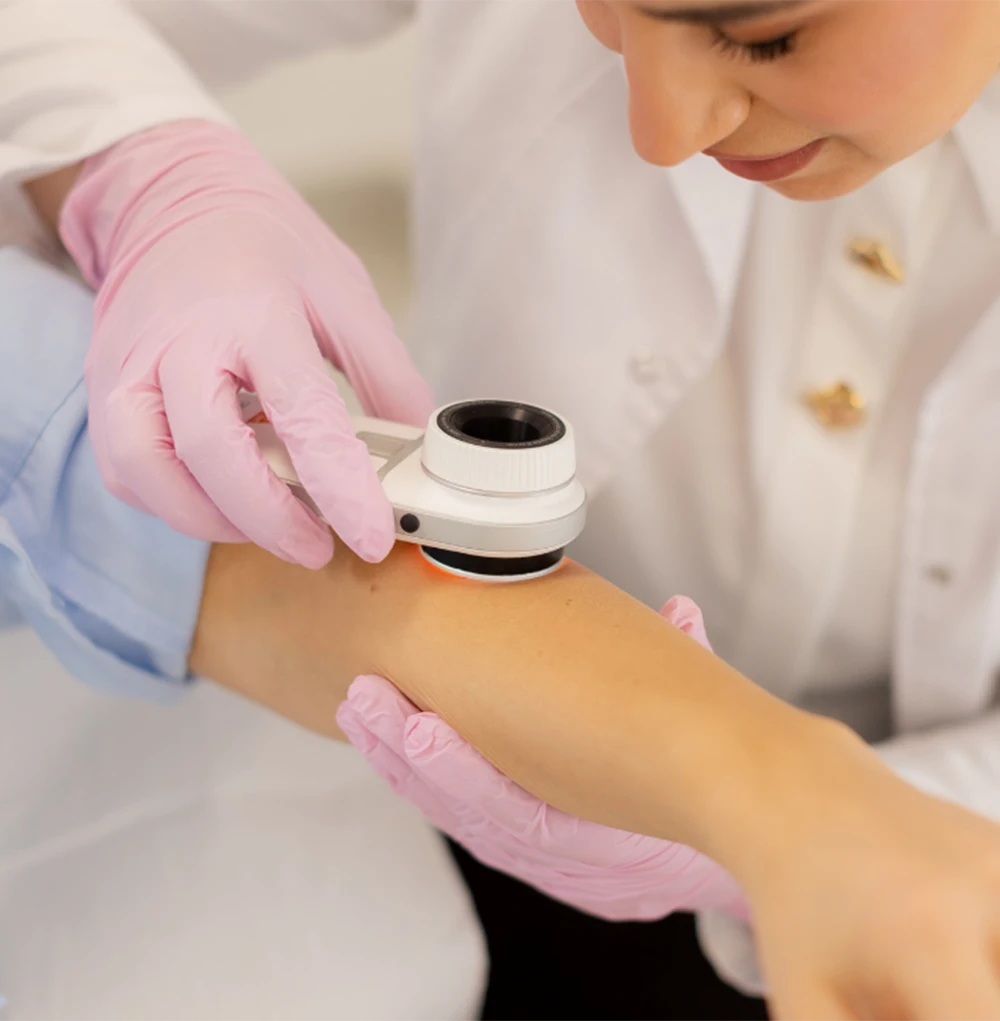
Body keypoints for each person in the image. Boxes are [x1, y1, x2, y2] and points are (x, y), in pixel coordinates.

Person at [6, 0, 1000, 1016]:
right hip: (436, 766)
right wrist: (148, 169)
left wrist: (796, 824)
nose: (658, 132)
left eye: (762, 36)